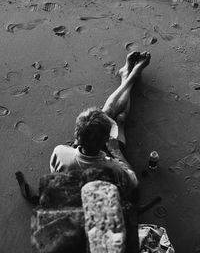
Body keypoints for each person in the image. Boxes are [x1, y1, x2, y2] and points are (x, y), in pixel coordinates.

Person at [49, 51, 151, 203]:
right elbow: (133, 183)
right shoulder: (112, 168)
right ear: (106, 139)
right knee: (120, 119)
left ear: (77, 134)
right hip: (97, 204)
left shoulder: (60, 151)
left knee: (106, 113)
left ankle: (127, 77)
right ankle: (128, 77)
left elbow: (54, 172)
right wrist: (116, 152)